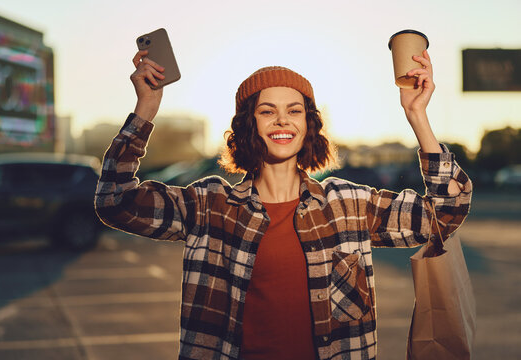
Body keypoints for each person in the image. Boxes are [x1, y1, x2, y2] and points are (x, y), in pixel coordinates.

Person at [94, 49, 472, 360]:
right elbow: (114, 201)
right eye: (266, 110)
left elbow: (445, 212)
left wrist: (417, 115)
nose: (282, 121)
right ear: (247, 125)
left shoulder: (348, 204)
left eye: (294, 110)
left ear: (308, 124)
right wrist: (146, 108)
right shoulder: (210, 204)